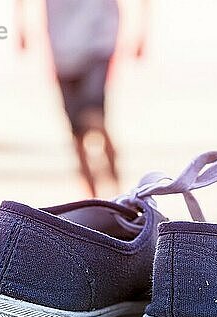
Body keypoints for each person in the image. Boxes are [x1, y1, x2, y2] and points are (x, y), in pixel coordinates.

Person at [16, 0, 147, 197]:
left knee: (93, 119)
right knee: (76, 134)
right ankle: (93, 201)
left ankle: (120, 196)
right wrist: (21, 26)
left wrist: (142, 33)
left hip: (98, 43)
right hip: (62, 52)